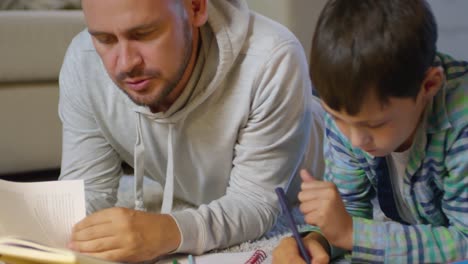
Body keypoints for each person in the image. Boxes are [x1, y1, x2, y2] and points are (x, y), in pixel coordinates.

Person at [58, 0, 325, 262]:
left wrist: (166, 231)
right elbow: (83, 191)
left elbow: (256, 202)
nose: (126, 64)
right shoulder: (84, 62)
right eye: (105, 39)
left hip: (325, 176)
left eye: (144, 34)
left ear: (196, 7)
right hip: (199, 190)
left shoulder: (271, 56)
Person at [273, 0, 468, 263]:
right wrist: (315, 242)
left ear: (429, 85)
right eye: (336, 117)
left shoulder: (461, 121)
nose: (355, 139)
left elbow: (464, 241)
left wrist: (353, 234)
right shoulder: (349, 105)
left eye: (375, 125)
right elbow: (349, 212)